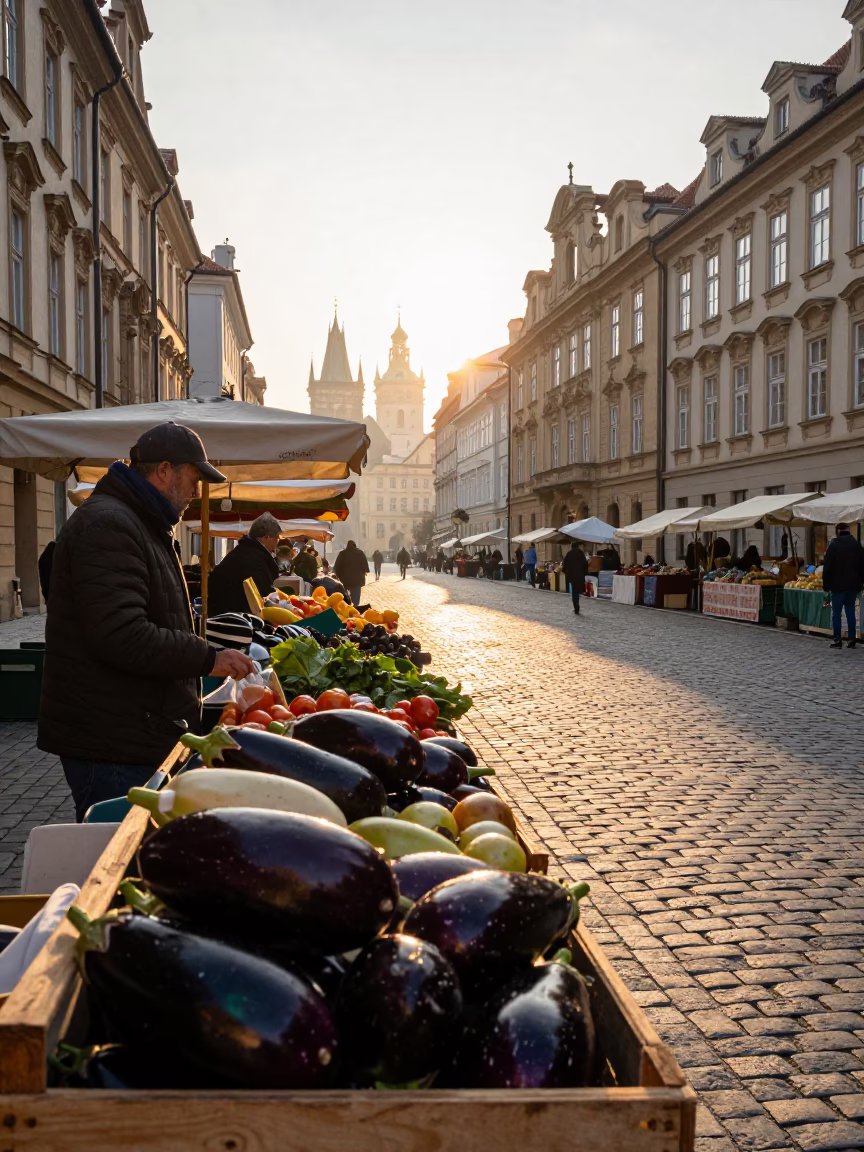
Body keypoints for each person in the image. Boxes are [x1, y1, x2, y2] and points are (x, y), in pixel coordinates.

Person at [38, 422, 255, 822]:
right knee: (115, 858)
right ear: (164, 471)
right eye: (193, 479)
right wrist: (207, 658)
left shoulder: (140, 522)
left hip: (132, 730)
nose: (196, 492)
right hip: (112, 742)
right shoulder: (110, 523)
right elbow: (121, 634)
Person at [207, 511, 282, 616]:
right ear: (267, 537)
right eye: (277, 537)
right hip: (234, 621)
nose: (278, 541)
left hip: (224, 615)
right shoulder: (253, 559)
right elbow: (262, 594)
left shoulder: (244, 552)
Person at [823, 523, 864, 650]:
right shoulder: (856, 545)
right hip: (853, 585)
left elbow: (827, 566)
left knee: (836, 613)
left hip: (837, 585)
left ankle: (837, 639)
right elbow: (862, 566)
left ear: (837, 531)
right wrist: (861, 582)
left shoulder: (834, 545)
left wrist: (826, 584)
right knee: (850, 611)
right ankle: (852, 639)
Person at [333, 539, 369, 607]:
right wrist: (365, 571)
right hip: (357, 579)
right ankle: (355, 608)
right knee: (356, 596)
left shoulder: (342, 553)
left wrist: (338, 575)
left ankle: (347, 607)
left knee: (345, 595)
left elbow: (337, 566)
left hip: (345, 580)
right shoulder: (360, 553)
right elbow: (365, 564)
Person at [562, 540, 589, 615]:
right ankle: (577, 603)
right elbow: (585, 564)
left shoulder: (569, 554)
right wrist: (584, 572)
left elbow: (565, 564)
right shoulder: (581, 554)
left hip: (572, 575)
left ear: (571, 546)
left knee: (574, 591)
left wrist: (565, 571)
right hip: (580, 575)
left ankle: (576, 606)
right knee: (578, 590)